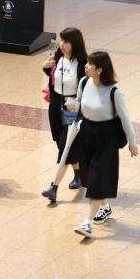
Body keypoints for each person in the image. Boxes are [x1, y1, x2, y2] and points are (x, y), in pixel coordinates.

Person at [65, 51, 139, 238]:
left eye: (90, 64)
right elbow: (82, 104)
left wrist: (132, 142)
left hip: (107, 139)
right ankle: (104, 207)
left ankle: (87, 223)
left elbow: (125, 119)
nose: (86, 66)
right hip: (87, 133)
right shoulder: (84, 82)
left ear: (100, 69)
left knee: (98, 178)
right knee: (90, 178)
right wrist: (73, 104)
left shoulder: (114, 92)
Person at [40, 27, 88, 203]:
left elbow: (87, 89)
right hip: (55, 106)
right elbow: (54, 79)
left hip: (72, 109)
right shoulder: (57, 57)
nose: (62, 45)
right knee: (60, 142)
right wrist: (45, 68)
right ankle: (79, 173)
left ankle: (54, 187)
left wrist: (78, 106)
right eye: (61, 41)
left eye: (66, 42)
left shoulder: (83, 64)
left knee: (65, 146)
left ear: (74, 43)